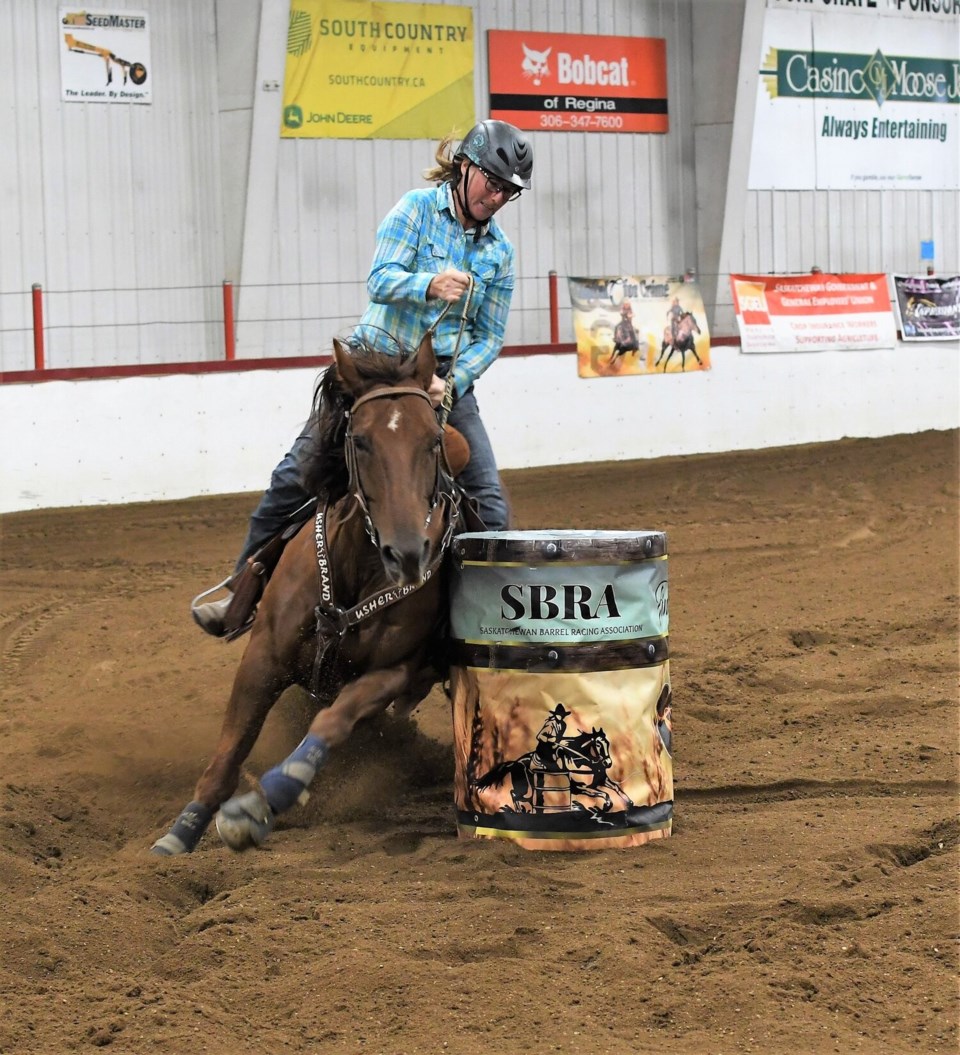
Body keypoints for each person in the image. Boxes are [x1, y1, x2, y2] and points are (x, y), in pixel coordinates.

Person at [193, 119, 533, 637]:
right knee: (294, 477)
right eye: (492, 180)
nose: (498, 195)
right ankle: (240, 592)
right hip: (374, 368)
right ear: (465, 166)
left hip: (439, 383)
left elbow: (489, 337)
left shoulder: (500, 254)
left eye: (509, 190)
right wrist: (429, 284)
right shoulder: (416, 211)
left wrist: (453, 383)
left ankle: (476, 633)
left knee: (489, 504)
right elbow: (380, 281)